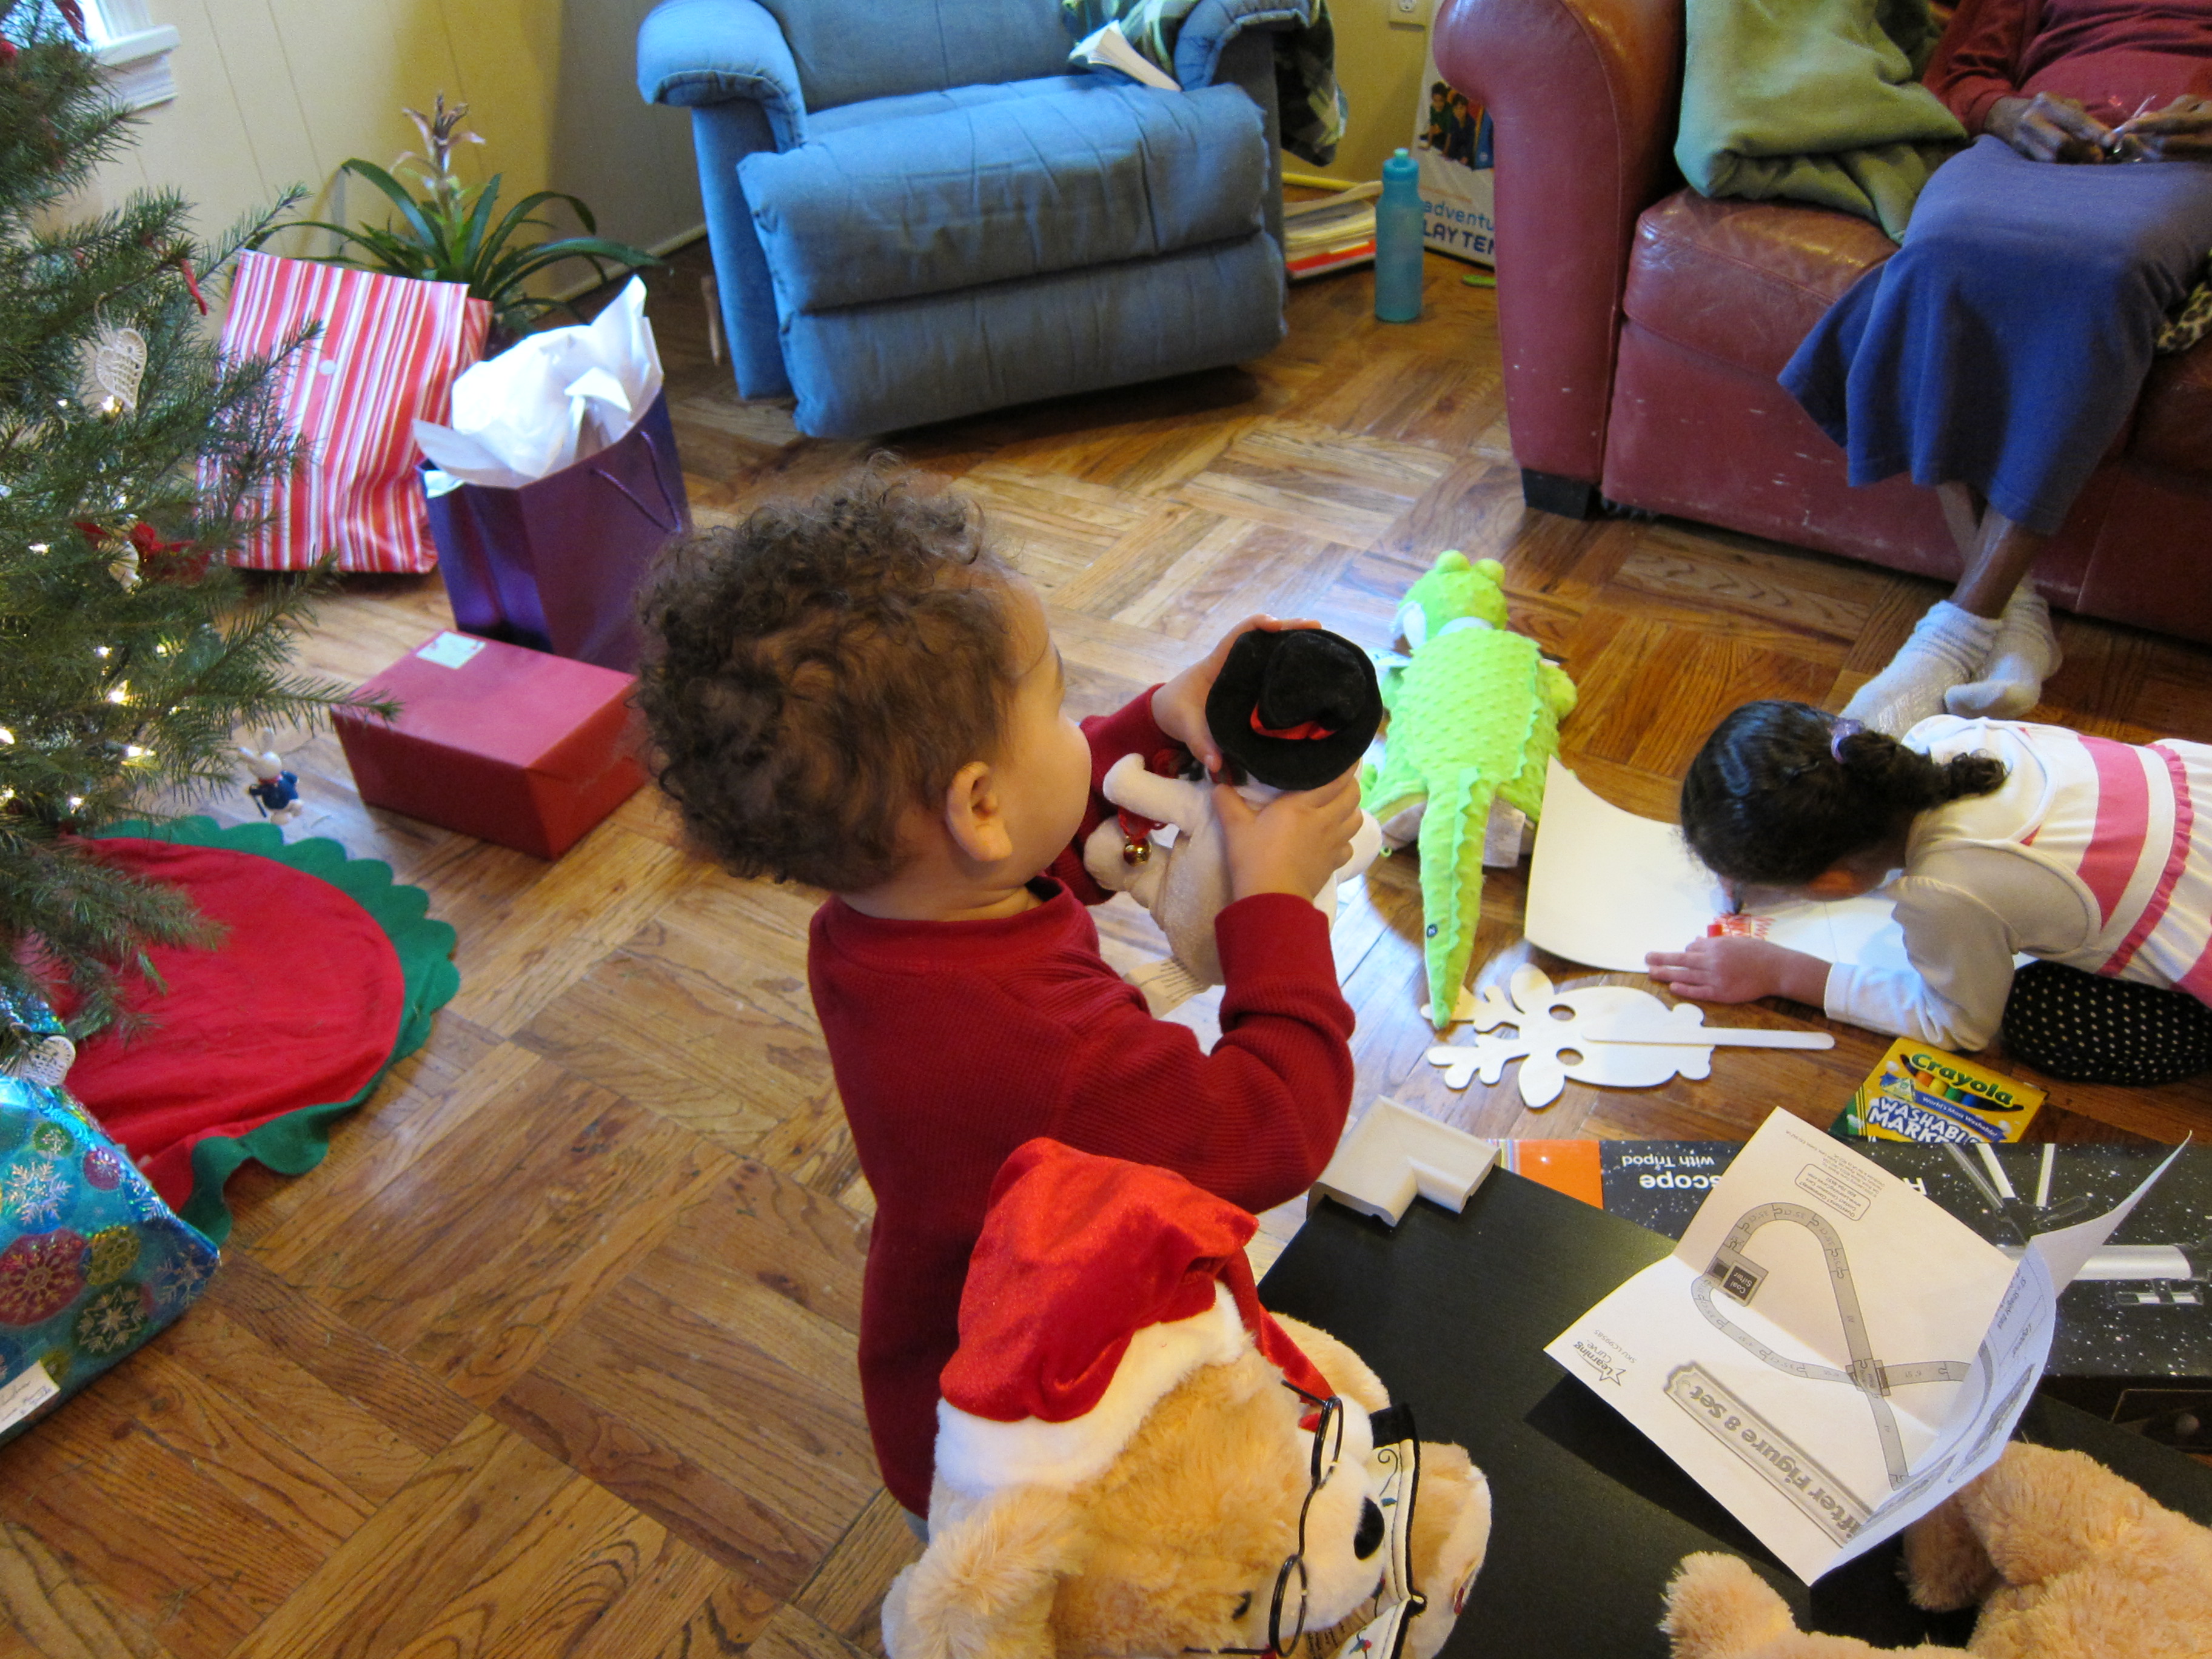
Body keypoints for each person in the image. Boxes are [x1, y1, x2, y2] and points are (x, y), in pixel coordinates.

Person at [634, 468, 1363, 1521]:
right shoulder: (1051, 1052)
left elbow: (1025, 857)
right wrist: (1277, 906)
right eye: (1058, 707)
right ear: (978, 804)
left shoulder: (872, 925)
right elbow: (1274, 1127)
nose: (1079, 727)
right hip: (1047, 1429)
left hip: (941, 1362)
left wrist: (1158, 720)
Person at [1780, 0, 2212, 736]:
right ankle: (2018, 622)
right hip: (2038, 147)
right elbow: (1963, 72)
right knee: (1940, 257)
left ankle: (1954, 634)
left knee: (2106, 269)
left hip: (2182, 161)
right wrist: (2011, 114)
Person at [1644, 700, 2212, 1085]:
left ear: (1833, 882)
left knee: (2039, 1017)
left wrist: (1783, 972)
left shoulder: (1946, 891)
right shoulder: (1947, 737)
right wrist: (1794, 870)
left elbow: (1959, 1025)